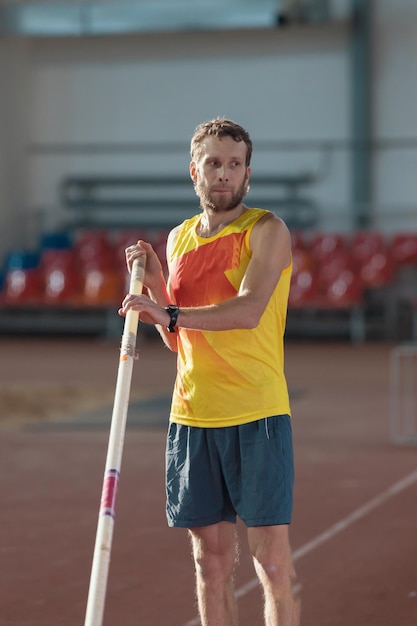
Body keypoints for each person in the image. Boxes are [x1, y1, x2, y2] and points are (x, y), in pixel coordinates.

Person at [119, 117, 301, 625]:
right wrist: (158, 289)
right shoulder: (178, 239)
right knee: (209, 563)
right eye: (214, 163)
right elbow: (179, 341)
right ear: (194, 171)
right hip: (194, 417)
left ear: (247, 174)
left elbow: (247, 311)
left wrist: (169, 309)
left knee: (271, 563)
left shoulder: (267, 230)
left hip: (257, 414)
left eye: (234, 165)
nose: (224, 174)